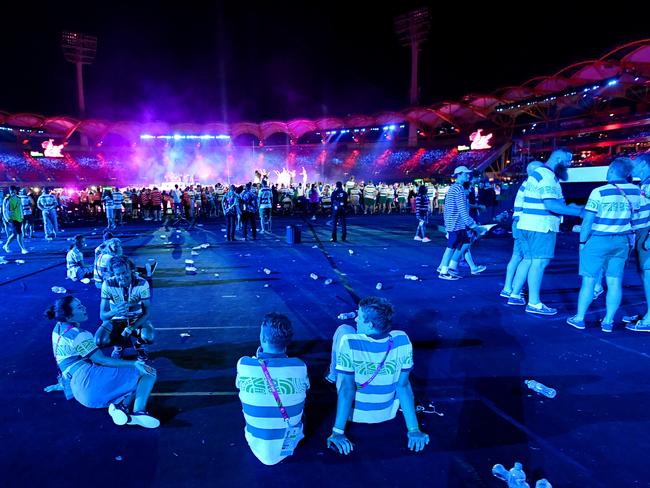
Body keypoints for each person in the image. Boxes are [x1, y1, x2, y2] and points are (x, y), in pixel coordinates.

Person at [326, 297, 429, 455]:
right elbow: (403, 386)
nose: (356, 319)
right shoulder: (403, 339)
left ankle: (332, 374)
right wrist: (414, 429)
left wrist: (338, 432)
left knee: (344, 329)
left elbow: (347, 389)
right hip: (386, 412)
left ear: (370, 324)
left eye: (359, 317)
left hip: (354, 414)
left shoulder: (349, 342)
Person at [47, 296, 159, 428]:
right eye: (79, 307)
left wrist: (62, 383)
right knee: (148, 373)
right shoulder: (80, 335)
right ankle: (138, 411)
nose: (84, 307)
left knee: (127, 380)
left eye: (81, 303)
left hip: (78, 391)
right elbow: (101, 360)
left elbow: (62, 360)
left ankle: (121, 406)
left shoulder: (58, 328)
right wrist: (134, 363)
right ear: (70, 317)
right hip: (90, 382)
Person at [508, 149, 584, 315]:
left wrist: (572, 208)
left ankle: (514, 293)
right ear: (558, 159)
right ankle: (534, 303)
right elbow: (551, 205)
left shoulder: (541, 175)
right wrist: (580, 212)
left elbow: (556, 204)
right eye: (568, 161)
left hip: (527, 225)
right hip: (541, 226)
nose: (570, 164)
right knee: (539, 262)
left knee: (528, 260)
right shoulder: (547, 176)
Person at [567, 158, 639, 331]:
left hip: (598, 239)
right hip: (621, 241)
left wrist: (582, 242)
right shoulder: (636, 191)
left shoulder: (599, 191)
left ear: (612, 170)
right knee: (615, 282)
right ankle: (608, 321)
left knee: (589, 281)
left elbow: (588, 220)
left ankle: (579, 318)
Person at [235, 313, 309, 465]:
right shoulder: (300, 365)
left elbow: (238, 384)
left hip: (255, 443)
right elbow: (306, 386)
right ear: (287, 341)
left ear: (262, 339)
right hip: (289, 441)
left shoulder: (244, 363)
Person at [95, 256, 154, 361]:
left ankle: (139, 345)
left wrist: (131, 327)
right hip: (116, 319)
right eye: (118, 274)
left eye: (124, 272)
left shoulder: (142, 283)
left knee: (149, 337)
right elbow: (102, 315)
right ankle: (118, 346)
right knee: (99, 341)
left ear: (131, 269)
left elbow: (146, 313)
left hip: (136, 318)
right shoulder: (107, 284)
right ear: (113, 273)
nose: (122, 277)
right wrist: (115, 311)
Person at [500, 161, 543, 298]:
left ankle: (510, 287)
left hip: (519, 224)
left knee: (518, 256)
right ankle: (511, 289)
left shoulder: (525, 185)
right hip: (523, 225)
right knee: (523, 257)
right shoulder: (531, 185)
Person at [437, 166, 482, 280]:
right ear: (459, 174)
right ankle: (444, 271)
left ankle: (451, 267)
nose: (468, 176)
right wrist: (474, 226)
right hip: (455, 223)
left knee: (465, 242)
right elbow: (463, 210)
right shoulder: (458, 189)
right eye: (466, 174)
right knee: (451, 247)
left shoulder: (454, 188)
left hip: (455, 223)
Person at [626, 153, 650, 331]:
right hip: (642, 232)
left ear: (644, 164)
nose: (633, 168)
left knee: (648, 274)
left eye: (636, 164)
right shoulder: (644, 184)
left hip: (647, 233)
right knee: (644, 273)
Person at [2, 186, 28, 254]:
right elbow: (5, 209)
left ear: (15, 191)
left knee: (15, 234)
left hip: (18, 217)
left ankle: (6, 245)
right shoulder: (7, 199)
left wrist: (22, 216)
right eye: (11, 192)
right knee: (19, 233)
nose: (12, 193)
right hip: (12, 218)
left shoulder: (19, 198)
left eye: (13, 191)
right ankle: (23, 248)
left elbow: (20, 208)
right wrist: (7, 218)